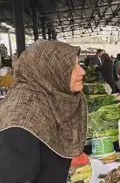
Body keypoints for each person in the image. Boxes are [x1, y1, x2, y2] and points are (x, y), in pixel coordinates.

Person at [0, 40, 87, 183]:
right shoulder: (23, 118)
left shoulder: (45, 102)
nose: (82, 71)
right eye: (73, 66)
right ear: (50, 71)